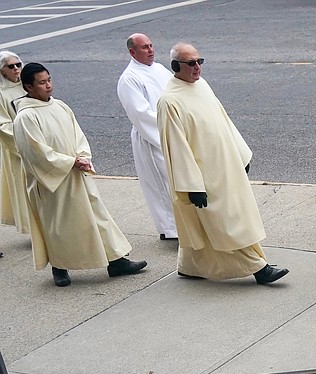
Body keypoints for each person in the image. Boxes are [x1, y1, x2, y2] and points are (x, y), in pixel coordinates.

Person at [157, 43, 286, 284]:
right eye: (191, 63)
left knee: (210, 224)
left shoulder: (202, 86)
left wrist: (240, 154)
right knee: (227, 224)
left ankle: (189, 266)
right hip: (204, 176)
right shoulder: (169, 101)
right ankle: (259, 268)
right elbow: (176, 147)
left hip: (225, 166)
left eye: (200, 61)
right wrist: (192, 185)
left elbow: (223, 121)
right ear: (176, 66)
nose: (197, 67)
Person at [13, 63, 146, 287]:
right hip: (53, 181)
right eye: (42, 83)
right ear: (28, 87)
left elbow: (78, 135)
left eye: (49, 80)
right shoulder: (25, 118)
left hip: (76, 173)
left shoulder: (61, 106)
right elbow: (36, 153)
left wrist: (82, 157)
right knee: (60, 225)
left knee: (97, 217)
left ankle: (116, 261)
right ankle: (59, 266)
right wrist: (69, 162)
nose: (48, 86)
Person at [117, 33, 177, 241]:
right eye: (144, 47)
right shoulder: (129, 79)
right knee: (162, 184)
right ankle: (170, 230)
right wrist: (167, 133)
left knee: (176, 182)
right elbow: (140, 114)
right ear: (132, 52)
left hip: (172, 131)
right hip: (153, 137)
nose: (150, 50)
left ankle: (182, 226)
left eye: (151, 46)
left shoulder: (160, 69)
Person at [0, 50, 31, 234]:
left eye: (18, 65)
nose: (16, 69)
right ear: (2, 71)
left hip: (34, 141)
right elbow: (2, 124)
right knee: (22, 189)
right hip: (16, 148)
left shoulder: (26, 86)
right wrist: (21, 140)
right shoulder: (1, 93)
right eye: (11, 66)